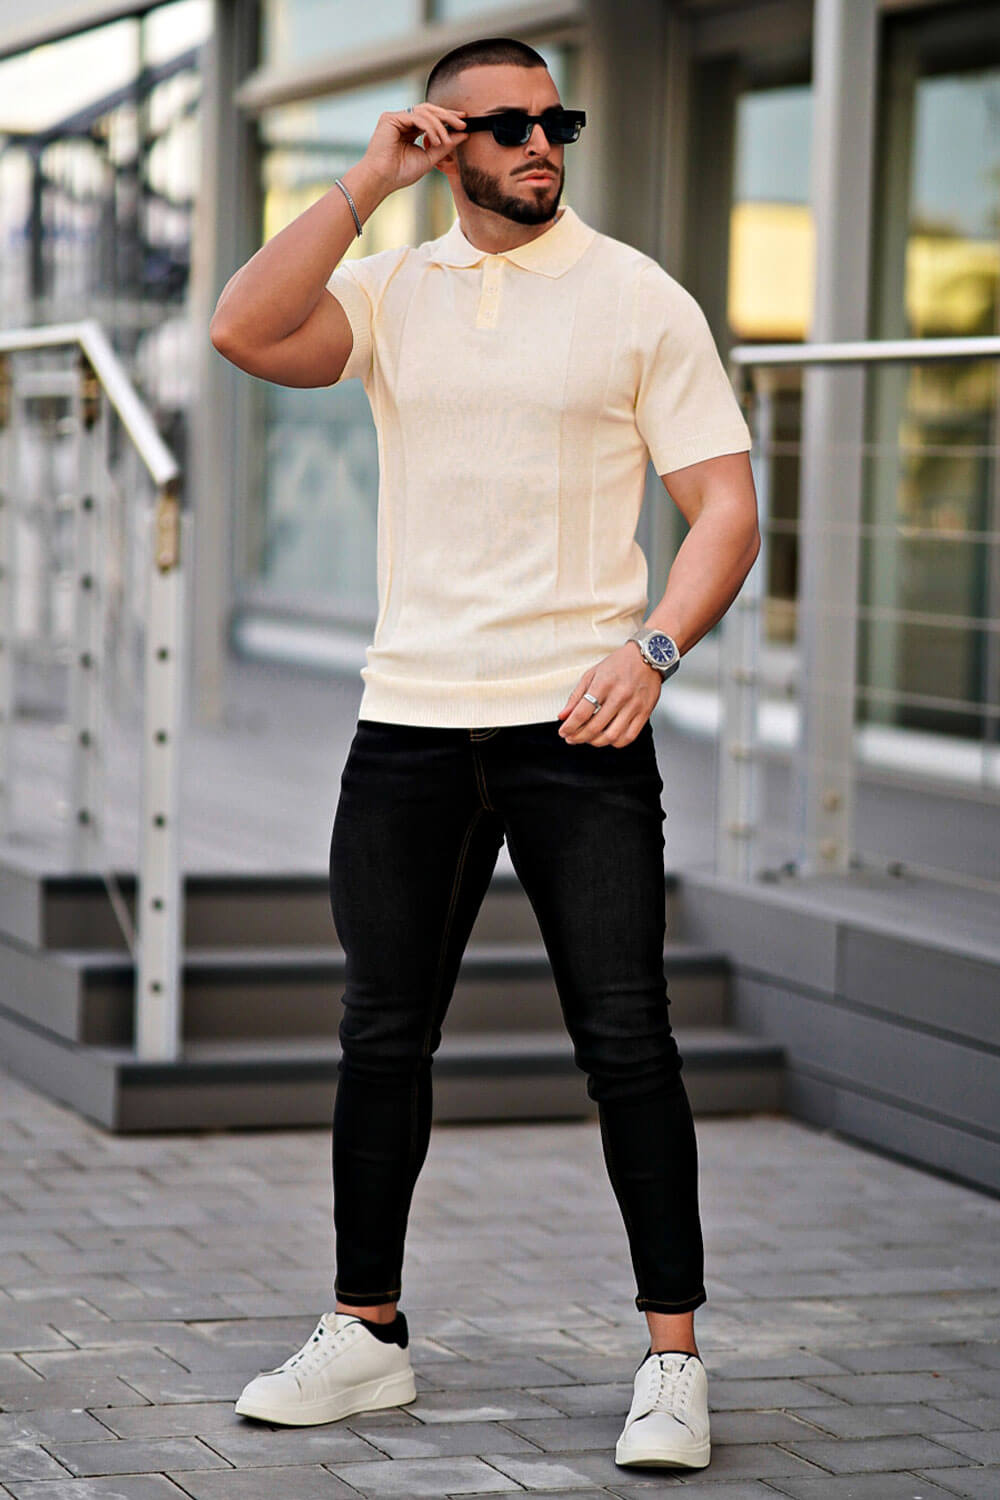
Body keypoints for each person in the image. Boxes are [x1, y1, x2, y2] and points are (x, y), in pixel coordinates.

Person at [210, 35, 758, 1471]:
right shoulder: (394, 290)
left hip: (576, 723)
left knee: (626, 1039)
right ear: (446, 142)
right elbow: (244, 330)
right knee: (381, 1035)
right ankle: (367, 1333)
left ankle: (674, 1361)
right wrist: (366, 181)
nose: (538, 144)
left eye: (553, 121)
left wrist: (653, 652)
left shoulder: (637, 295)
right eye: (505, 125)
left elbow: (725, 509)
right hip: (409, 715)